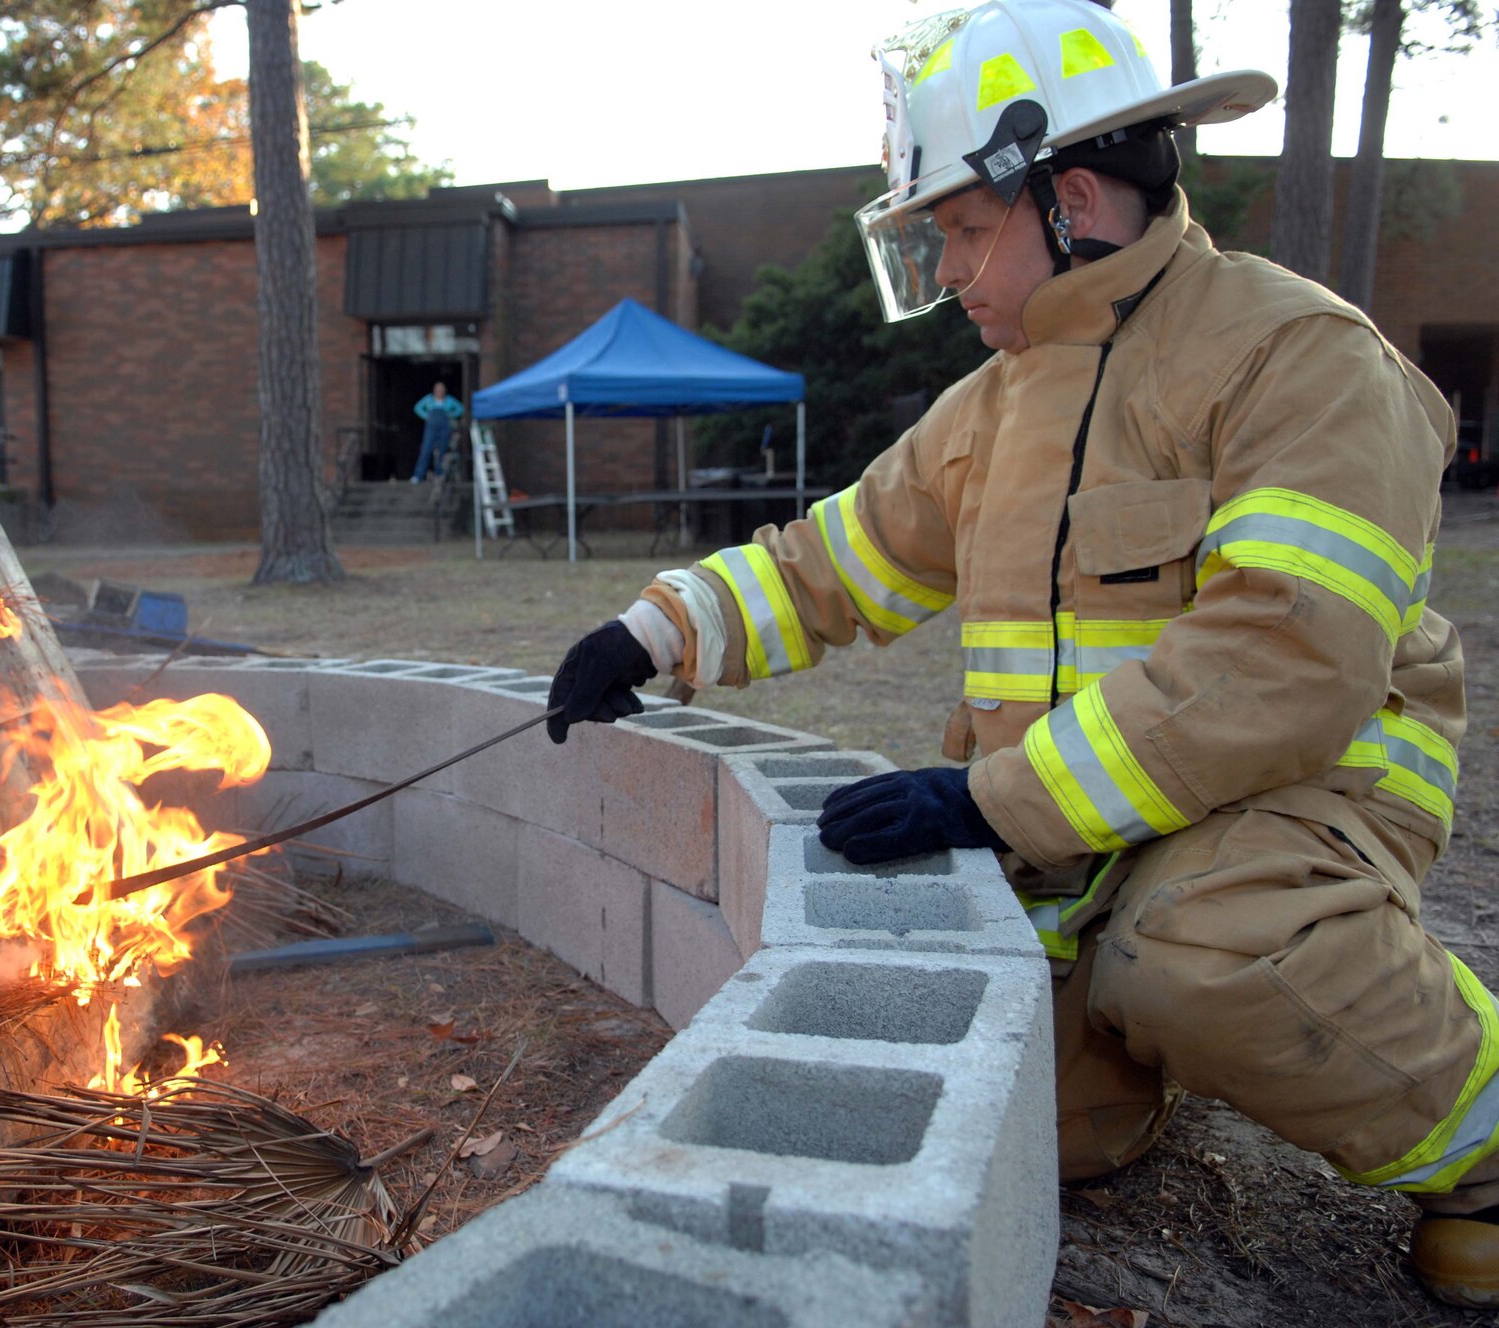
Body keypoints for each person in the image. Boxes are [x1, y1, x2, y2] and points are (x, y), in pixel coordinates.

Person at [546, 0, 1497, 1305]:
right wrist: (645, 635)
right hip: (1083, 825)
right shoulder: (990, 410)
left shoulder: (1297, 357)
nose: (945, 273)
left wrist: (993, 800)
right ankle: (1155, 1022)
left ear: (1077, 199)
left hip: (1303, 787)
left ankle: (1486, 1145)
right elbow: (835, 565)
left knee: (1205, 957)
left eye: (964, 233)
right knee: (1032, 1121)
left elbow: (1288, 653)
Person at [411, 381, 464, 482]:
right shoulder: (429, 400)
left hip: (444, 427)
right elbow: (417, 408)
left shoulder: (448, 400)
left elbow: (460, 408)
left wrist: (451, 415)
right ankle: (418, 475)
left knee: (443, 449)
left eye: (442, 390)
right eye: (438, 390)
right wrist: (426, 416)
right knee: (426, 449)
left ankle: (439, 473)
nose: (440, 392)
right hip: (431, 427)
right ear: (434, 391)